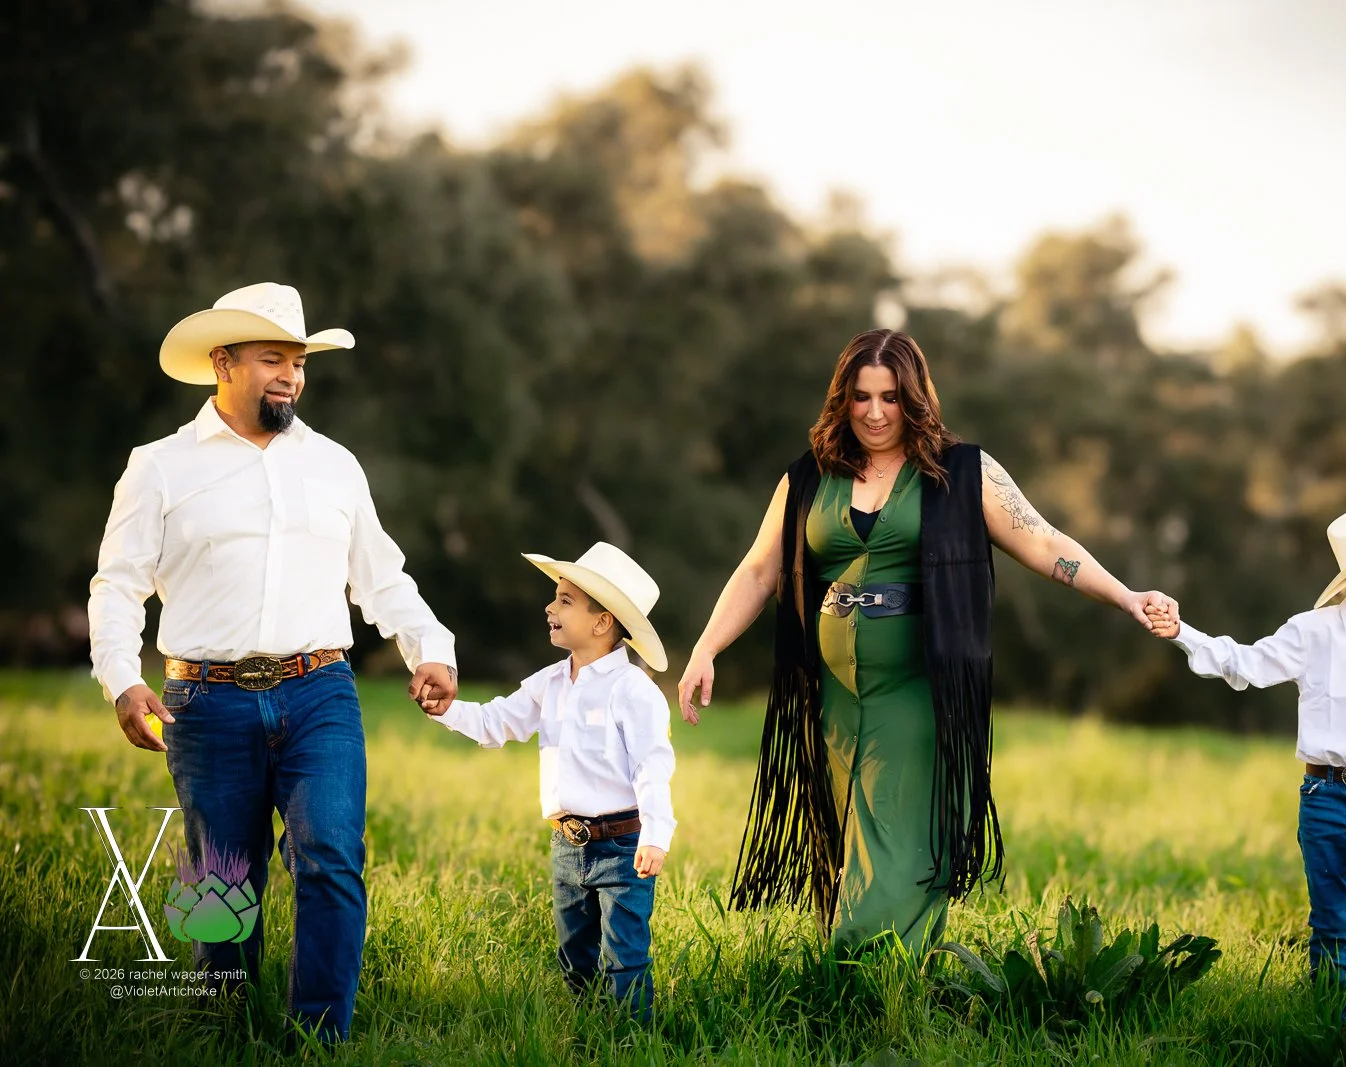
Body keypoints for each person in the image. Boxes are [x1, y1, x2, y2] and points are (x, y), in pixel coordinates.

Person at [675, 328, 1179, 955]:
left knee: (895, 836)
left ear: (915, 398)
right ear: (842, 399)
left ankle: (863, 970)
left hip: (916, 687)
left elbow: (1045, 544)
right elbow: (759, 570)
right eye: (861, 397)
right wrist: (705, 648)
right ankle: (889, 987)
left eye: (891, 397)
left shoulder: (963, 472)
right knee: (843, 845)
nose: (876, 412)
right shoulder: (809, 477)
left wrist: (1127, 595)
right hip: (828, 693)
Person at [87, 282, 459, 1043]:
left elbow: (381, 576)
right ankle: (221, 1031)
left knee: (330, 855)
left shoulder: (334, 465)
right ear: (222, 362)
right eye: (272, 359)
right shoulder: (158, 467)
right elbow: (117, 584)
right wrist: (122, 677)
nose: (291, 374)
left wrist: (432, 650)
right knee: (225, 881)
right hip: (204, 700)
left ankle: (321, 1040)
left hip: (318, 690)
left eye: (299, 360)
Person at [1163, 495, 1346, 1025]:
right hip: (1322, 798)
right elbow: (1245, 665)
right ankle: (1324, 1014)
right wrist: (1181, 632)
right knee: (1330, 918)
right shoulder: (1313, 633)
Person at [424, 543, 674, 1022]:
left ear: (602, 623)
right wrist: (446, 710)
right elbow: (497, 722)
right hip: (567, 843)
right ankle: (585, 1029)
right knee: (575, 956)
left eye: (564, 600)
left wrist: (656, 836)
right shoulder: (549, 683)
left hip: (624, 846)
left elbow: (652, 765)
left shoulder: (633, 690)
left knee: (625, 956)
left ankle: (631, 1039)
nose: (549, 607)